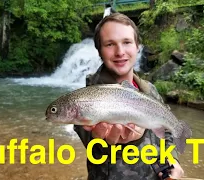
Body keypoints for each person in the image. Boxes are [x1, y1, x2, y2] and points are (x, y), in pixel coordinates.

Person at [74, 12, 184, 180]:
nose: (120, 52)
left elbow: (168, 129)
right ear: (99, 51)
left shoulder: (150, 90)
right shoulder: (85, 101)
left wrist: (172, 159)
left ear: (137, 46)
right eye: (110, 44)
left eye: (126, 42)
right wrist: (130, 140)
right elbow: (95, 147)